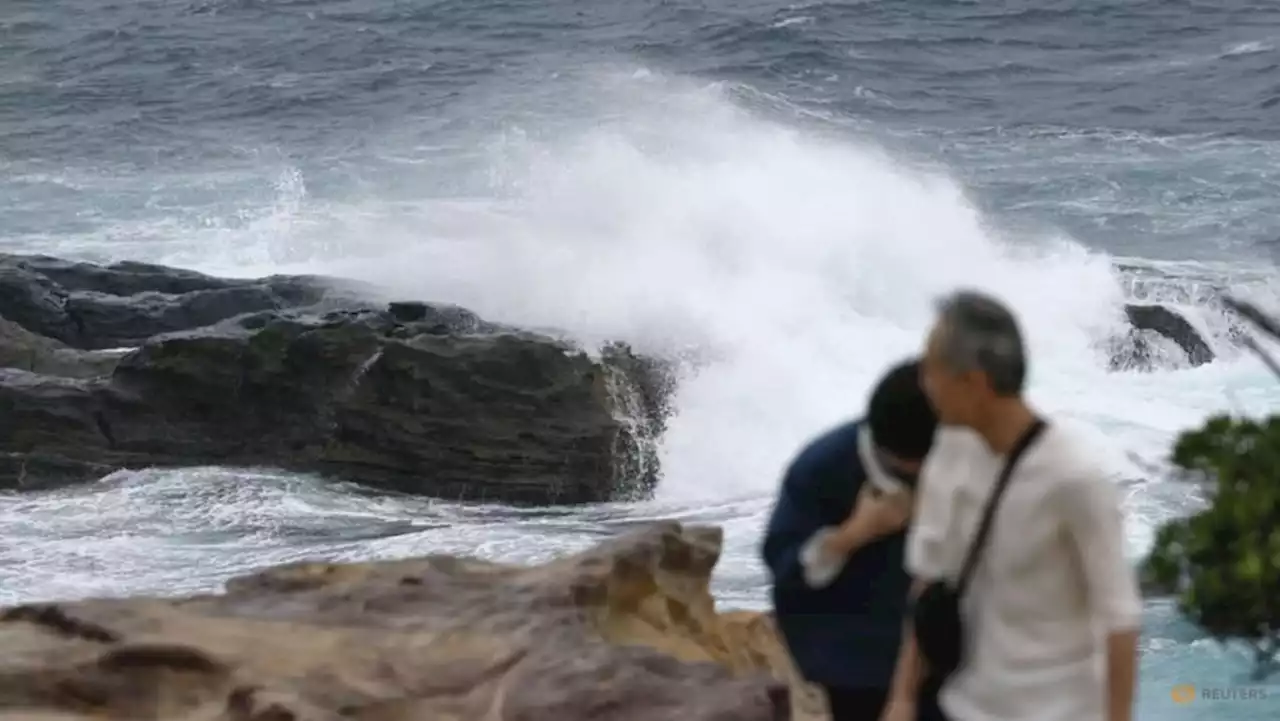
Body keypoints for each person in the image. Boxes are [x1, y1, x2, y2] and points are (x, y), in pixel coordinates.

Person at [882, 290, 1142, 721]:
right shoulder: (949, 457)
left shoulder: (1073, 478)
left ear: (974, 383)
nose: (923, 385)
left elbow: (1120, 621)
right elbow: (928, 584)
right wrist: (902, 699)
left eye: (932, 371)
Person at [762, 358, 944, 721]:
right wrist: (855, 533)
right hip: (851, 656)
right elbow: (787, 572)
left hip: (948, 653)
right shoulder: (823, 468)